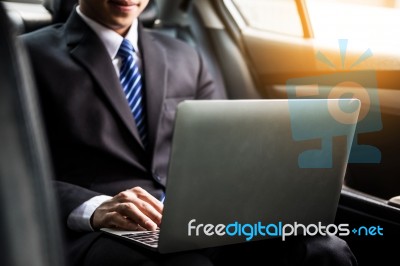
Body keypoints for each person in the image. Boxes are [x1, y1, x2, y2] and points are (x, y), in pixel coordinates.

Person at [22, 0, 358, 265]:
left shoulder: (186, 56)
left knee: (323, 249)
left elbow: (230, 150)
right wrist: (93, 207)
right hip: (104, 230)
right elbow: (12, 174)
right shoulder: (24, 57)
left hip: (195, 220)